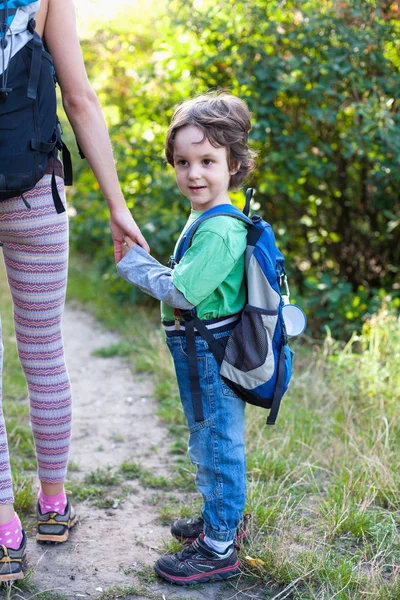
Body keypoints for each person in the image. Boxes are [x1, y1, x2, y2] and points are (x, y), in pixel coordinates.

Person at [0, 0, 148, 581]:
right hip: (36, 192)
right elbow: (80, 99)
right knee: (44, 352)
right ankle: (54, 506)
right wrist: (118, 205)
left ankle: (4, 529)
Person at [117, 92, 256, 585]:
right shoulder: (206, 216)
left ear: (233, 164)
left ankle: (220, 546)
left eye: (207, 161)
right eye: (183, 162)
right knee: (207, 438)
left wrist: (133, 264)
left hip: (210, 350)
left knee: (218, 442)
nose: (193, 173)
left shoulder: (220, 230)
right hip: (198, 348)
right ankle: (220, 518)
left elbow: (182, 291)